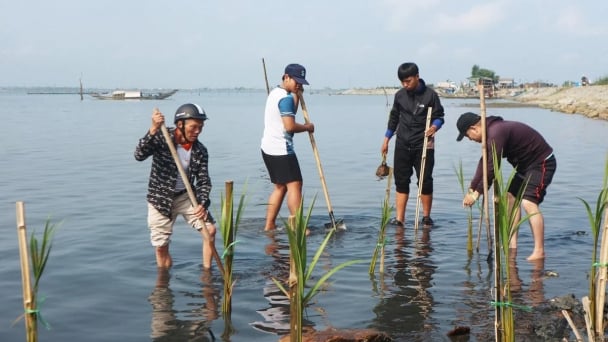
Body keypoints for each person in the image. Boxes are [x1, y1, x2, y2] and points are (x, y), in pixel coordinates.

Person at [456, 112, 557, 261]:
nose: (470, 139)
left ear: (474, 128)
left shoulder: (496, 132)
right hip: (525, 167)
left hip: (541, 163)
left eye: (467, 136)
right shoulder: (492, 132)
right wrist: (472, 187)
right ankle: (511, 243)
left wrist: (477, 193)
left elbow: (492, 167)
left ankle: (539, 251)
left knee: (528, 202)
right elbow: (484, 162)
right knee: (509, 198)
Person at [135, 103, 217, 269]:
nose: (198, 131)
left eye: (201, 127)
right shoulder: (161, 137)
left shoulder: (200, 150)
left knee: (210, 230)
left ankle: (207, 272)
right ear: (180, 124)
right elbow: (139, 154)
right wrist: (153, 129)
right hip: (160, 199)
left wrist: (202, 203)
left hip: (186, 197)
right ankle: (163, 283)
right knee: (161, 247)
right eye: (193, 127)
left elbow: (203, 181)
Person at [381, 62, 445, 227]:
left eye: (408, 81)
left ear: (417, 76)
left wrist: (434, 126)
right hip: (402, 143)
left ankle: (426, 217)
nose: (405, 84)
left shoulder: (430, 95)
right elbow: (394, 118)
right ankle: (400, 219)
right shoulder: (400, 96)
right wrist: (387, 139)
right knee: (401, 180)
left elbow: (440, 116)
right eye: (402, 81)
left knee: (425, 181)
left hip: (423, 144)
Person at [261, 63, 314, 230]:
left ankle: (269, 225)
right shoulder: (285, 98)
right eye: (296, 81)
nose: (298, 85)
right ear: (286, 77)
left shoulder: (276, 93)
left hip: (268, 147)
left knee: (280, 187)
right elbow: (290, 126)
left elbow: (291, 111)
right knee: (295, 184)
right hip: (281, 149)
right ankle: (298, 227)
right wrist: (307, 128)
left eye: (301, 83)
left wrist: (297, 94)